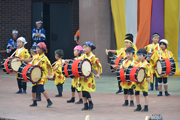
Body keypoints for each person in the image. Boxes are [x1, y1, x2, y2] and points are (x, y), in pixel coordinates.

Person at [77, 41, 102, 110]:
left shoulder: (93, 57)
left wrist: (98, 74)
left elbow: (98, 65)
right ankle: (85, 105)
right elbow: (77, 61)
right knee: (82, 90)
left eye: (86, 47)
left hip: (88, 76)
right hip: (82, 75)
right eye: (83, 47)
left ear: (90, 48)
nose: (84, 49)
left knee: (85, 90)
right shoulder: (83, 56)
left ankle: (90, 102)